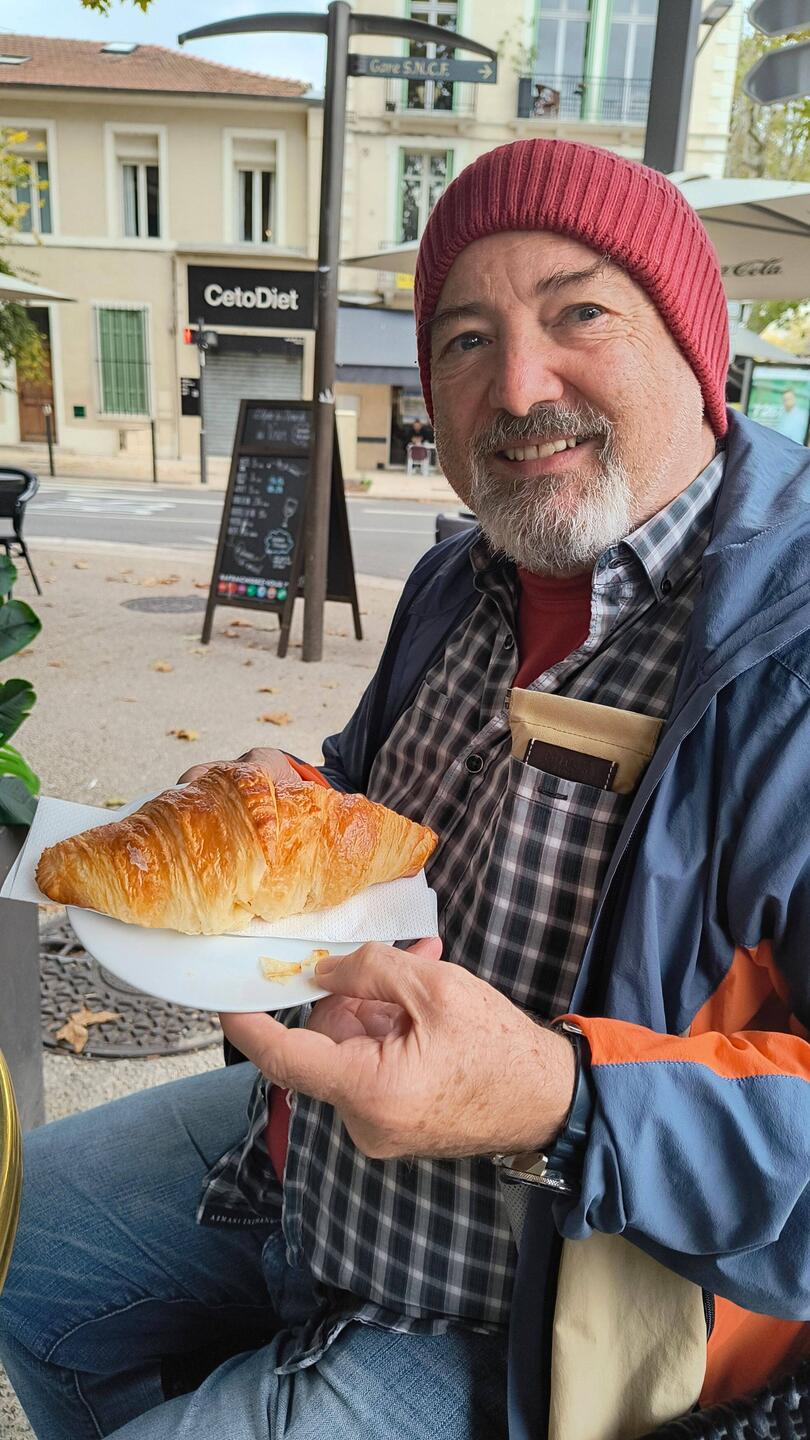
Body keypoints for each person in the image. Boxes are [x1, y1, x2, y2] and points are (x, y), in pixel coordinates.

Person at [1, 138, 809, 1439]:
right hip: (297, 1158)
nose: (516, 385)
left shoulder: (788, 656)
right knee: (12, 1241)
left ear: (696, 343)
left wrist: (556, 1095)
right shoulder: (457, 578)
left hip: (544, 1308)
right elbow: (379, 818)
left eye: (578, 312)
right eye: (464, 339)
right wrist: (292, 788)